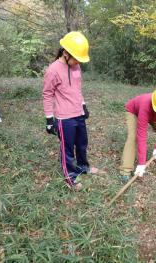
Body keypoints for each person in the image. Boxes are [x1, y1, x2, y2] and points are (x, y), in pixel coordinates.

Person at [43, 31, 101, 190]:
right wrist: (49, 119)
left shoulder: (76, 66)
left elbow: (77, 88)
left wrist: (83, 104)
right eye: (76, 58)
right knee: (67, 149)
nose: (77, 62)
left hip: (78, 114)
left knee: (82, 144)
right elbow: (47, 94)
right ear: (65, 53)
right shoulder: (53, 70)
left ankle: (83, 166)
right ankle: (70, 177)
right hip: (64, 118)